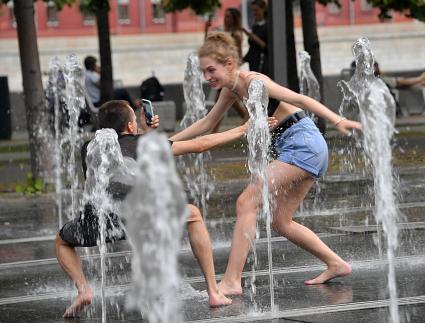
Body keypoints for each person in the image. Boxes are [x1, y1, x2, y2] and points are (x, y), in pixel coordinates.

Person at [170, 32, 363, 296]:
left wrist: (338, 120)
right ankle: (335, 263)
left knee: (246, 202)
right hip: (298, 146)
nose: (207, 77)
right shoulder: (230, 90)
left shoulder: (255, 81)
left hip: (303, 143)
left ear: (229, 63)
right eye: (204, 72)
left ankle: (232, 281)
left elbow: (301, 100)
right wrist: (165, 142)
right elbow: (206, 124)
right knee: (280, 221)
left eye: (211, 70)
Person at [55, 100, 276, 317]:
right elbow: (200, 145)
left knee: (62, 241)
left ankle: (83, 289)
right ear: (131, 126)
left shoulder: (89, 149)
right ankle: (214, 291)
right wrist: (243, 128)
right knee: (193, 214)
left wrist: (144, 132)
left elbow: (126, 153)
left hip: (101, 221)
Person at [205, 7, 249, 132]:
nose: (226, 18)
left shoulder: (236, 34)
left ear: (234, 19)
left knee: (220, 102)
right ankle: (248, 123)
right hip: (221, 70)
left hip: (228, 72)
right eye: (225, 16)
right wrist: (207, 29)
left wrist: (232, 70)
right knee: (229, 101)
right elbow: (209, 45)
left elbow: (238, 54)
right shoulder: (222, 32)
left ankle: (214, 132)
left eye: (229, 16)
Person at [242, 0, 269, 75]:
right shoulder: (255, 26)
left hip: (263, 64)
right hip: (253, 64)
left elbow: (267, 47)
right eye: (253, 11)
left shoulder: (268, 26)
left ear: (263, 9)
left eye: (256, 10)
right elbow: (252, 49)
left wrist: (252, 36)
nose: (254, 13)